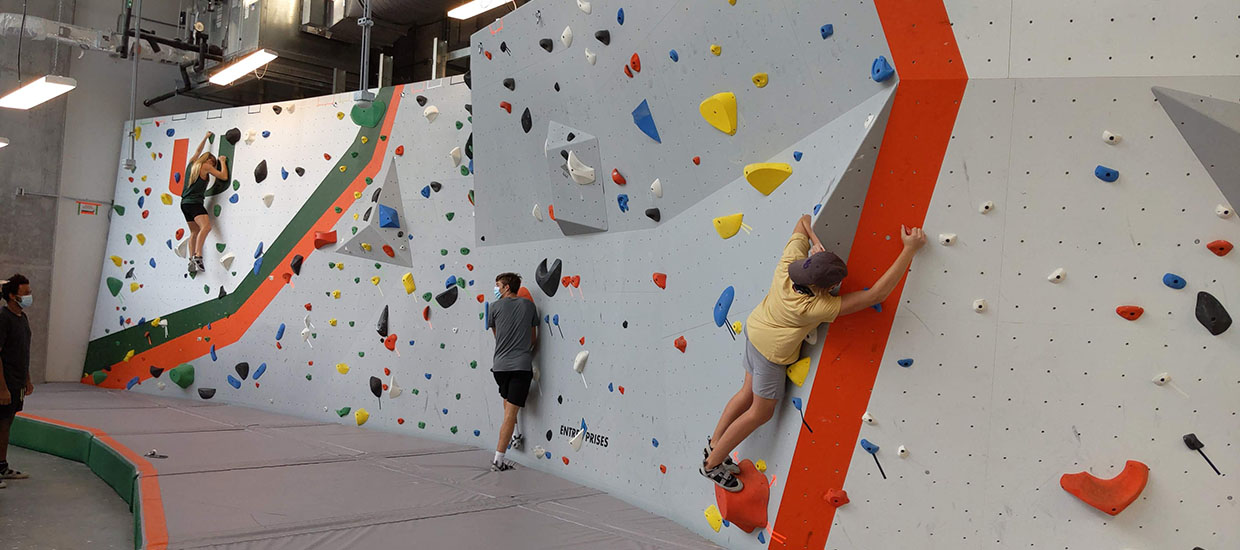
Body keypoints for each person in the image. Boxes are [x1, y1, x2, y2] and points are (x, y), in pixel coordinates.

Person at [700, 216, 927, 491]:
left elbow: (803, 220)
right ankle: (712, 464)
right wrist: (909, 250)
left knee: (745, 393)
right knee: (760, 413)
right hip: (770, 353)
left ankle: (714, 445)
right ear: (826, 289)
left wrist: (815, 244)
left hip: (754, 329)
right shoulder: (813, 307)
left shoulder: (787, 267)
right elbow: (875, 296)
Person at [486, 272, 540, 471]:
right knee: (510, 413)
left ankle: (516, 434)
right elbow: (533, 339)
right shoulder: (529, 306)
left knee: (508, 403)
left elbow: (497, 336)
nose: (496, 289)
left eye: (498, 285)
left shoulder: (494, 307)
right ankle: (498, 460)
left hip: (499, 367)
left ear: (507, 287)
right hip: (520, 366)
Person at [0, 274, 35, 489]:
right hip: (5, 383)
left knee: (7, 424)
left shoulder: (22, 317)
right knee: (0, 425)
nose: (30, 296)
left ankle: (2, 466)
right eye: (26, 293)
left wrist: (27, 379)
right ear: (12, 296)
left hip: (17, 382)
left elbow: (23, 351)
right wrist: (2, 388)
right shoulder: (3, 318)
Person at [181, 131, 229, 274]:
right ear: (207, 160)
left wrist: (206, 137)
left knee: (194, 232)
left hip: (184, 204)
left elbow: (198, 150)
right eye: (212, 162)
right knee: (206, 227)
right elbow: (223, 176)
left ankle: (191, 260)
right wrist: (222, 162)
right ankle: (198, 256)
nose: (212, 165)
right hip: (195, 203)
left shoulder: (191, 164)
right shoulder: (205, 166)